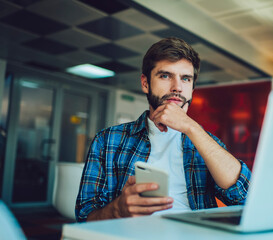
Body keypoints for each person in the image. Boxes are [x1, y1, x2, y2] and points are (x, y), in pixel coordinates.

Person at [75, 37, 251, 222]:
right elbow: (84, 215)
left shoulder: (205, 142)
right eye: (165, 76)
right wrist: (117, 210)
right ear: (145, 83)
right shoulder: (107, 140)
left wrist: (191, 127)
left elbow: (244, 197)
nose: (177, 87)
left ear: (192, 88)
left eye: (185, 78)